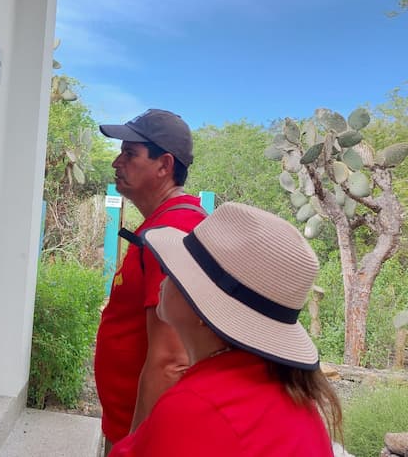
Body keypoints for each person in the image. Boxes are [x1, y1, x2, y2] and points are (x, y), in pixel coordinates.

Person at [109, 202, 342, 456]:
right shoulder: (286, 393)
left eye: (172, 270)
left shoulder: (197, 409)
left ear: (203, 308)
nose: (163, 277)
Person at [94, 109, 208, 453]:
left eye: (130, 154)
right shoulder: (161, 224)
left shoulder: (175, 230)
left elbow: (172, 360)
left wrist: (136, 446)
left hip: (140, 433)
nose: (117, 162)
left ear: (164, 165)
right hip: (128, 423)